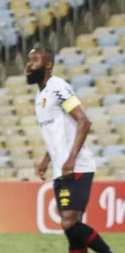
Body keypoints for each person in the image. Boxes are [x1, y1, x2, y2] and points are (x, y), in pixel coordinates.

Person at [28, 48, 114, 253]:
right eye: (28, 60)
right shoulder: (39, 98)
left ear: (48, 65)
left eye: (34, 60)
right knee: (73, 232)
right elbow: (58, 133)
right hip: (62, 168)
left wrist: (72, 158)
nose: (29, 64)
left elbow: (83, 121)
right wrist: (46, 160)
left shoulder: (57, 86)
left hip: (77, 166)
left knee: (69, 223)